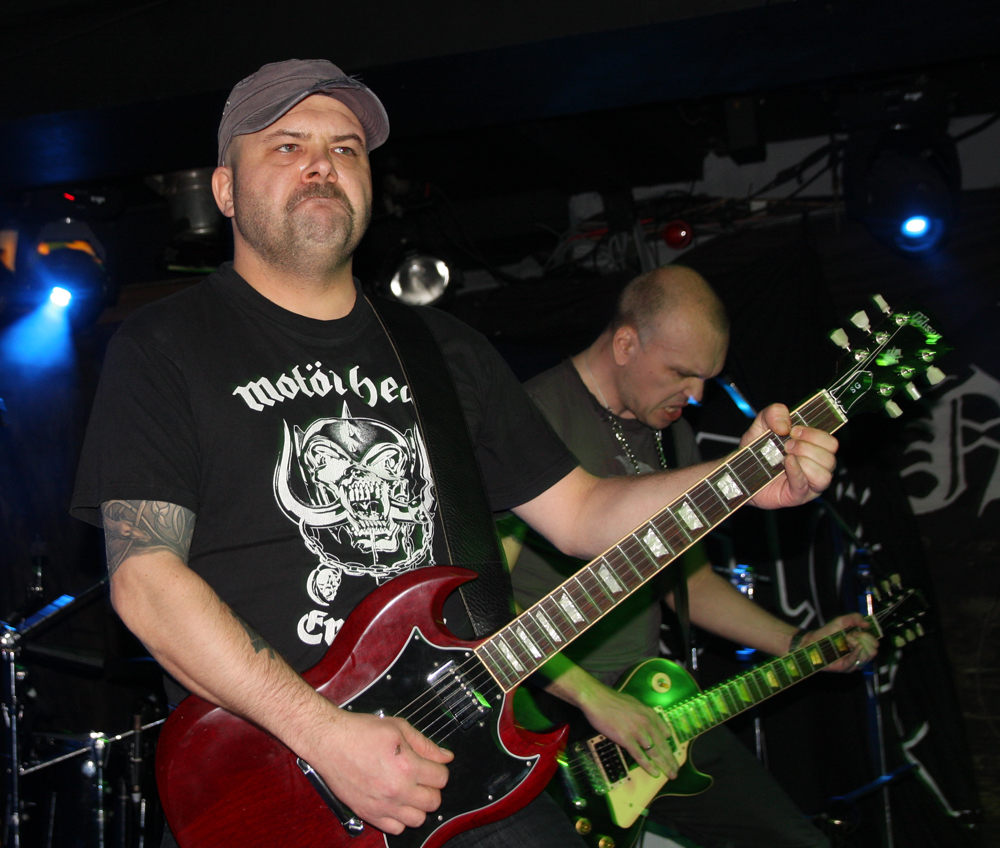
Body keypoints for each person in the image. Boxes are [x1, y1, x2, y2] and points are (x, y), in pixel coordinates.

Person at [70, 60, 841, 848]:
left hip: (469, 763)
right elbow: (146, 580)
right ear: (225, 190)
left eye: (346, 149)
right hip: (277, 779)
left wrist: (738, 480)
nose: (322, 165)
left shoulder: (446, 351)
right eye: (287, 146)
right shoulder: (165, 346)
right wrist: (325, 735)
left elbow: (582, 513)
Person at [506, 265, 878, 848]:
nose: (698, 396)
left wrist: (800, 644)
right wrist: (592, 698)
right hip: (545, 716)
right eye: (682, 373)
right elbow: (481, 597)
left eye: (707, 378)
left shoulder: (671, 434)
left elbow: (689, 583)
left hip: (652, 707)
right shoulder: (532, 417)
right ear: (626, 344)